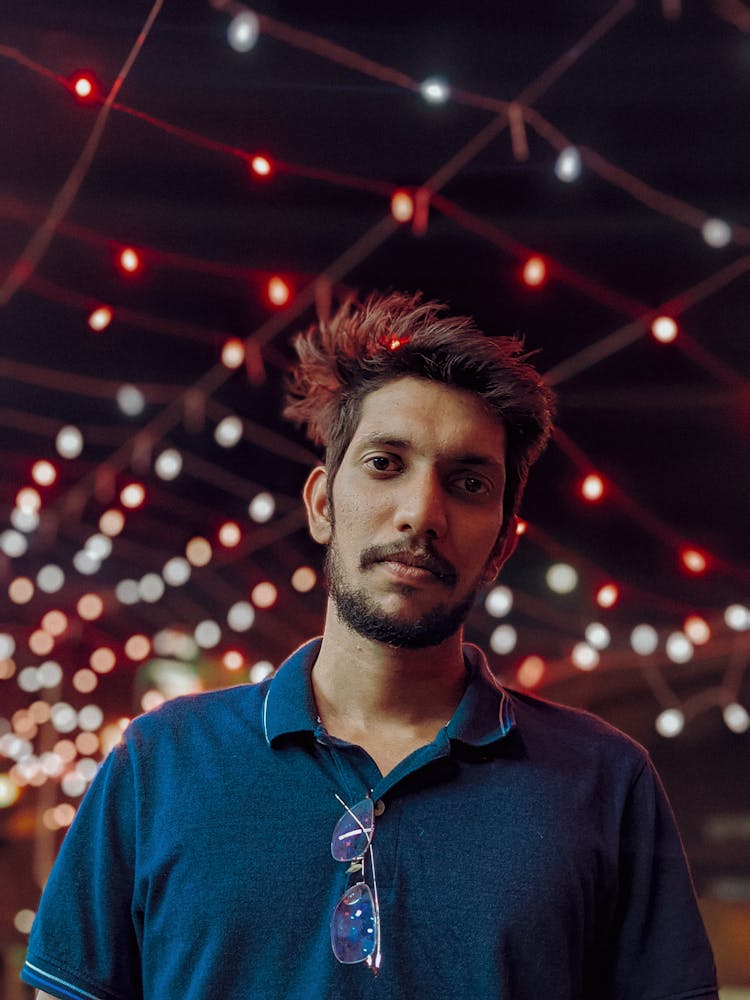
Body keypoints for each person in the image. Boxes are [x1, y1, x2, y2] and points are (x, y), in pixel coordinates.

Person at [23, 292, 717, 999]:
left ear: (502, 544)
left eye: (469, 483)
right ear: (323, 503)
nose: (422, 513)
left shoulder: (605, 780)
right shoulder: (160, 762)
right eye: (387, 464)